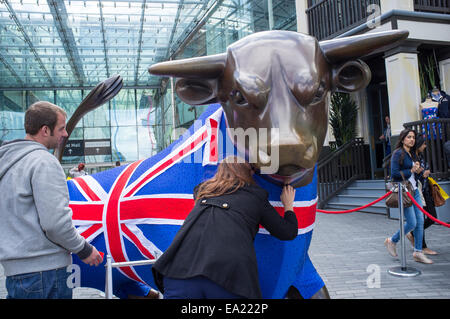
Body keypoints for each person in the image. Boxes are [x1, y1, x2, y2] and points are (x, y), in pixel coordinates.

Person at [152, 156, 298, 299]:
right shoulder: (255, 196)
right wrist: (288, 206)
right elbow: (287, 232)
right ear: (248, 173)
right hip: (227, 277)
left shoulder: (202, 192)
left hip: (178, 272)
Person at [0, 101, 103, 299]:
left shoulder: (8, 162)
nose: (65, 134)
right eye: (61, 128)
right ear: (45, 130)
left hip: (15, 273)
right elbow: (55, 224)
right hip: (46, 274)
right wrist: (84, 249)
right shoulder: (44, 162)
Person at [384, 129, 432, 264]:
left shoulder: (412, 154)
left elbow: (413, 176)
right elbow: (394, 173)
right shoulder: (398, 153)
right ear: (403, 138)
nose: (412, 139)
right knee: (412, 222)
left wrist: (418, 172)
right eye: (409, 137)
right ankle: (392, 240)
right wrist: (411, 170)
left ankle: (418, 251)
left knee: (420, 222)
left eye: (413, 137)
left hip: (414, 190)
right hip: (404, 191)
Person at [405, 135, 437, 255]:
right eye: (423, 144)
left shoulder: (421, 156)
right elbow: (413, 176)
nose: (425, 146)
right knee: (420, 220)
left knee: (432, 217)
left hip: (425, 191)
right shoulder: (412, 158)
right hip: (417, 192)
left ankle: (413, 234)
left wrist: (425, 173)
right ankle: (422, 247)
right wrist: (422, 174)